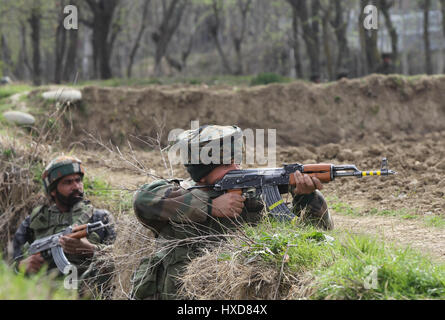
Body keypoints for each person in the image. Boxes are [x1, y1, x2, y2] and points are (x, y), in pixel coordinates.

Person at [130, 125, 333, 300]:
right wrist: (211, 207)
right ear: (202, 172)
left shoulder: (252, 201)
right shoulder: (181, 195)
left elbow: (317, 235)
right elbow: (143, 199)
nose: (236, 167)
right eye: (227, 164)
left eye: (237, 160)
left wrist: (305, 197)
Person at [12, 156, 116, 296]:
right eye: (68, 182)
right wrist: (20, 266)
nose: (76, 186)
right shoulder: (34, 221)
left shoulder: (100, 218)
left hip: (88, 292)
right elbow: (8, 260)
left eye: (78, 180)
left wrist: (92, 250)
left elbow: (122, 259)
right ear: (53, 190)